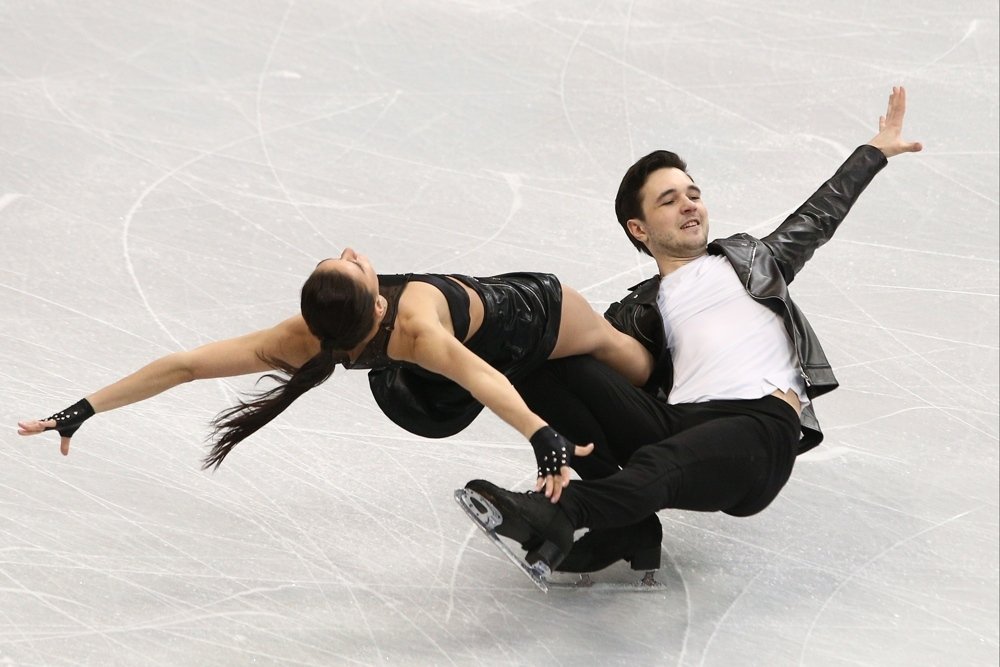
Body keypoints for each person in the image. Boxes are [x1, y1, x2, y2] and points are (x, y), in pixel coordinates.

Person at [463, 86, 924, 576]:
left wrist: (875, 151)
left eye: (694, 195)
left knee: (662, 464)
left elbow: (819, 215)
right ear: (639, 229)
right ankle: (628, 528)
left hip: (757, 427)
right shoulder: (639, 309)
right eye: (669, 200)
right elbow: (594, 371)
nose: (689, 205)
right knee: (545, 363)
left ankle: (563, 513)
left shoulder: (754, 261)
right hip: (678, 424)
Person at [17, 257, 653, 499]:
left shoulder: (303, 337)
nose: (353, 253)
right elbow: (486, 378)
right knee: (630, 356)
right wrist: (540, 434)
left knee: (608, 370)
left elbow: (185, 366)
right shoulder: (418, 325)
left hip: (445, 376)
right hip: (535, 317)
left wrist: (83, 409)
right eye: (351, 265)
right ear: (377, 302)